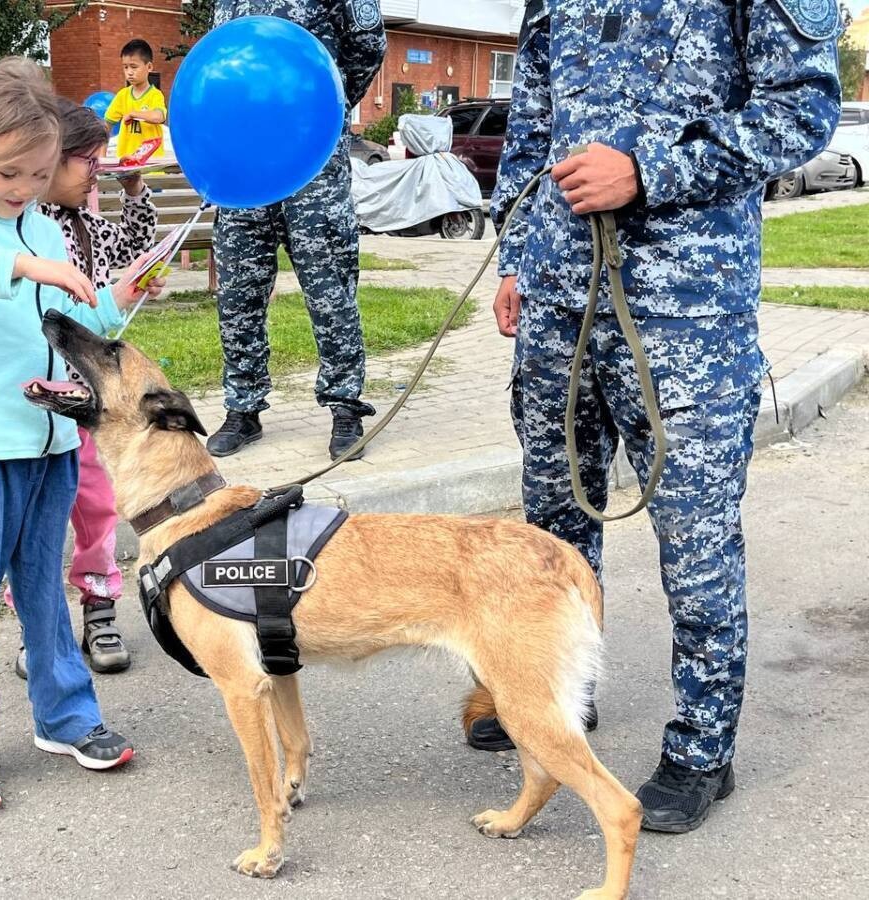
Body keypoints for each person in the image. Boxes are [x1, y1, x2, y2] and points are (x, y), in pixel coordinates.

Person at [477, 0, 842, 834]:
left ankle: (702, 751)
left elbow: (803, 108)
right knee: (556, 527)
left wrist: (650, 168)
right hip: (558, 303)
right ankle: (561, 695)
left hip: (685, 316)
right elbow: (532, 124)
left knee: (696, 543)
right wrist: (514, 258)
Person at [0, 57, 165, 815]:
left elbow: (72, 327)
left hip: (49, 446)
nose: (24, 189)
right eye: (9, 172)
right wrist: (16, 261)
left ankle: (66, 716)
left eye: (40, 174)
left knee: (46, 593)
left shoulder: (43, 224)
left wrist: (116, 297)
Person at [6, 98, 159, 678]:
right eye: (87, 164)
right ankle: (34, 625)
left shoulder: (91, 227)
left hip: (91, 404)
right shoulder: (23, 235)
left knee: (95, 509)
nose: (96, 174)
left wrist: (137, 190)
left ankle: (99, 608)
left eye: (101, 164)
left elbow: (134, 242)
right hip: (38, 400)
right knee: (36, 520)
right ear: (49, 161)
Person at [205, 1, 386, 461]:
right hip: (243, 166)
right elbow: (221, 64)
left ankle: (345, 405)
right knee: (237, 293)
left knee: (330, 292)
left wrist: (323, 107)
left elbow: (367, 46)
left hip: (313, 164)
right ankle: (242, 408)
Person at [104, 39, 167, 160]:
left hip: (151, 165)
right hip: (126, 164)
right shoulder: (122, 96)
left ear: (149, 67)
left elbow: (159, 117)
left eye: (134, 67)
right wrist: (101, 159)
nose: (129, 72)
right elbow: (106, 126)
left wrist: (134, 114)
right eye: (125, 67)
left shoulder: (155, 95)